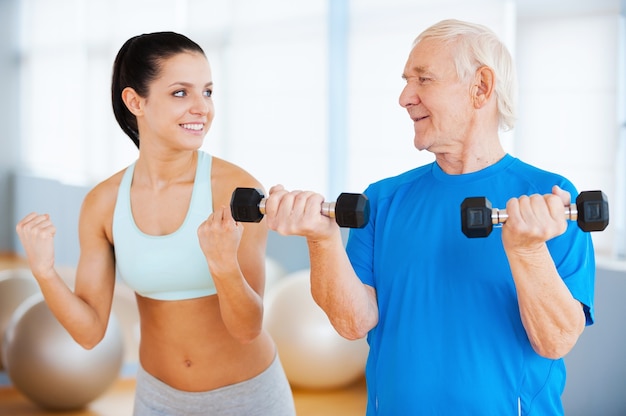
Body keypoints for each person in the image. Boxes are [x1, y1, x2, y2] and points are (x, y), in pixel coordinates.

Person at [262, 19, 595, 415]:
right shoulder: (383, 199)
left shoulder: (551, 200)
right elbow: (353, 324)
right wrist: (321, 239)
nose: (405, 97)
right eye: (406, 81)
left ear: (481, 87)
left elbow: (555, 341)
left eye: (424, 79)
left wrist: (527, 250)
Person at [15, 32, 296, 416]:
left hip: (247, 398)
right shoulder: (103, 203)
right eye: (181, 93)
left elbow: (247, 329)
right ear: (135, 101)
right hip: (157, 401)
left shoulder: (236, 191)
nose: (202, 108)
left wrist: (222, 263)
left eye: (208, 92)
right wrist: (44, 271)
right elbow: (89, 332)